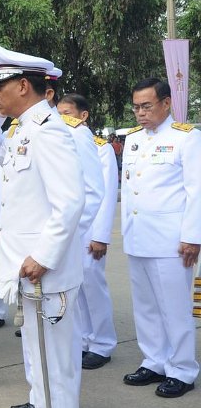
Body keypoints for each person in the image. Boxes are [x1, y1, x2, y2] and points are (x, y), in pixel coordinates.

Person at [0, 45, 85, 408]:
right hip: (25, 265)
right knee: (35, 349)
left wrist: (43, 256)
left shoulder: (48, 131)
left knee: (56, 357)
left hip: (43, 268)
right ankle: (40, 400)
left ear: (23, 86)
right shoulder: (22, 130)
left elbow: (69, 202)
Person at [120, 77, 200, 398]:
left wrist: (192, 236)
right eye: (136, 106)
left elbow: (196, 192)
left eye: (147, 105)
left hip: (171, 241)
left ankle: (182, 369)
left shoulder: (187, 138)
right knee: (146, 306)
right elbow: (130, 189)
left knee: (174, 308)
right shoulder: (133, 139)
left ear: (166, 103)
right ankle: (154, 360)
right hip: (138, 237)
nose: (140, 112)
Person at [57, 94, 118, 370]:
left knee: (93, 287)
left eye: (68, 113)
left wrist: (100, 235)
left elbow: (103, 195)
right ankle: (82, 340)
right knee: (74, 289)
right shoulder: (58, 143)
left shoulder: (99, 147)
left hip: (89, 230)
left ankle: (102, 343)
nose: (62, 119)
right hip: (68, 231)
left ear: (84, 116)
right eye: (59, 113)